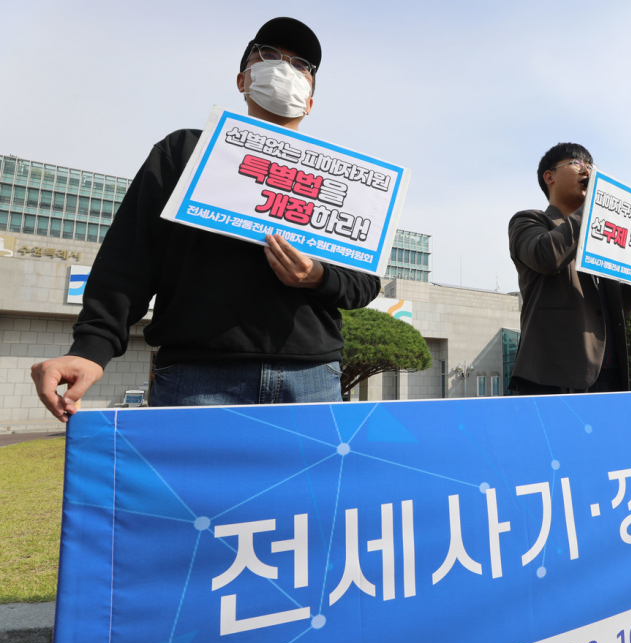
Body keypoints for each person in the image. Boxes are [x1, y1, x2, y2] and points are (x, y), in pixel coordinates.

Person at [31, 17, 380, 420]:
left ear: (310, 101)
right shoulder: (185, 151)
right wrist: (92, 348)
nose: (284, 67)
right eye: (268, 55)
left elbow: (365, 282)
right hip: (196, 379)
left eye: (301, 64)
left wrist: (318, 277)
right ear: (242, 80)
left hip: (312, 378)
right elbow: (130, 257)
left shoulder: (340, 180)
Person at [507, 143, 631, 394]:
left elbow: (615, 307)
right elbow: (546, 257)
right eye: (577, 164)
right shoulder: (529, 221)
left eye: (591, 166)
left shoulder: (603, 236)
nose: (587, 172)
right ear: (549, 177)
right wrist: (593, 209)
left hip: (608, 374)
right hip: (553, 373)